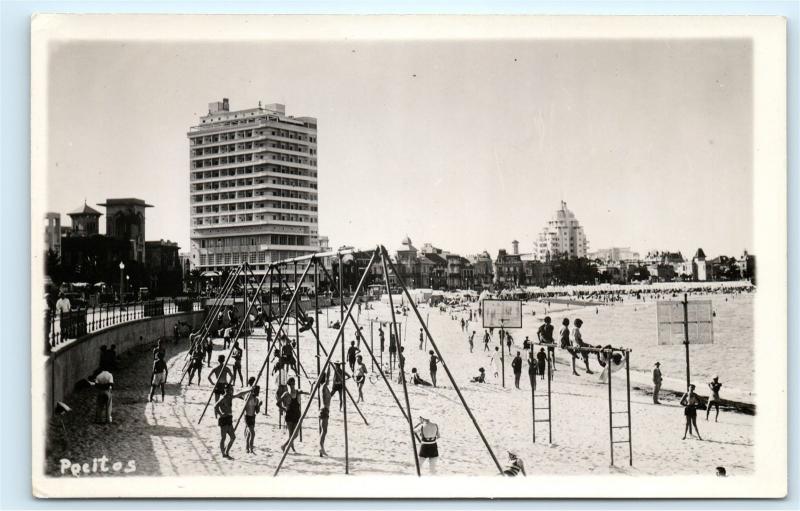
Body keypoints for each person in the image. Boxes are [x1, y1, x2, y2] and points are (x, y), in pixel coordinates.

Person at [280, 377, 308, 453]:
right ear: (288, 385)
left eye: (294, 384)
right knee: (291, 434)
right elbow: (278, 403)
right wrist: (284, 408)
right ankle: (289, 447)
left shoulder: (297, 392)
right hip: (289, 415)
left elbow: (305, 392)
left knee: (295, 434)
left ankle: (284, 446)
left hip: (296, 415)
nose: (293, 385)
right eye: (291, 384)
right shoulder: (286, 394)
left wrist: (309, 390)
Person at [213, 384, 237, 459]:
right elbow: (215, 406)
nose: (232, 391)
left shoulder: (230, 397)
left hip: (229, 418)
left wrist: (249, 390)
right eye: (231, 389)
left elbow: (239, 394)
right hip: (224, 419)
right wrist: (220, 414)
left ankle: (226, 452)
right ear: (227, 390)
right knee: (223, 437)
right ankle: (223, 453)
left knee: (233, 437)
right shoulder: (223, 398)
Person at [237, 384, 261, 454]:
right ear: (254, 391)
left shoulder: (256, 400)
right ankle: (251, 448)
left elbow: (257, 411)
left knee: (249, 434)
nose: (258, 392)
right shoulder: (248, 397)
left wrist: (259, 405)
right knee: (252, 433)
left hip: (253, 417)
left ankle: (247, 448)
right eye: (257, 391)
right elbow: (244, 403)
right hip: (247, 416)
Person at [318, 371, 332, 457]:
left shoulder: (324, 387)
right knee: (324, 430)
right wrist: (329, 367)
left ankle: (321, 447)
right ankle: (321, 447)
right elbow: (327, 379)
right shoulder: (323, 386)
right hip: (324, 410)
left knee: (324, 430)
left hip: (324, 410)